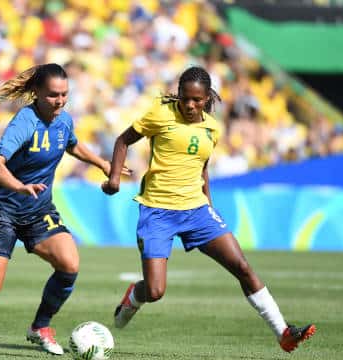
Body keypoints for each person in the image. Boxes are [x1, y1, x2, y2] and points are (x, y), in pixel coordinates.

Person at [0, 63, 130, 355]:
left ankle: (40, 326)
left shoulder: (64, 120)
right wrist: (18, 186)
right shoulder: (24, 122)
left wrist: (104, 164)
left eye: (64, 94)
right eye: (53, 95)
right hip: (4, 210)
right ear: (37, 93)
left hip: (38, 210)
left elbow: (72, 145)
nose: (60, 100)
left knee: (69, 264)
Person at [101, 66, 316, 353]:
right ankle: (133, 298)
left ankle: (283, 332)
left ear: (207, 99)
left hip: (197, 211)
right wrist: (114, 177)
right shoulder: (160, 114)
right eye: (185, 98)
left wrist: (209, 207)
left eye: (197, 100)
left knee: (242, 266)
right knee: (155, 291)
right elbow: (122, 140)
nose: (190, 105)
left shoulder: (213, 128)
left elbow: (202, 169)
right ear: (178, 95)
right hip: (157, 211)